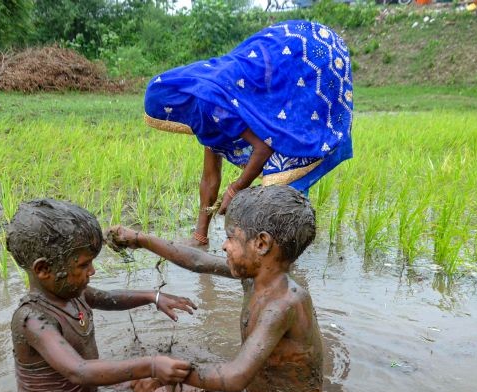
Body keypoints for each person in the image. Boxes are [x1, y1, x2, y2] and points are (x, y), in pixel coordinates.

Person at [107, 186, 323, 392]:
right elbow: (197, 260)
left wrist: (166, 374)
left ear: (262, 244)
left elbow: (235, 377)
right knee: (143, 375)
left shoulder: (283, 304)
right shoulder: (255, 278)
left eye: (231, 237)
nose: (224, 245)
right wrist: (139, 239)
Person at [5, 198, 203, 392]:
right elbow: (79, 371)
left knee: (153, 381)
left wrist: (153, 296)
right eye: (84, 264)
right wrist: (150, 364)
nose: (93, 271)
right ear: (43, 270)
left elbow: (109, 299)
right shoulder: (32, 319)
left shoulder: (73, 294)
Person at [144, 20, 353, 247]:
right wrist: (200, 235)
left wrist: (236, 188)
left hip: (306, 62)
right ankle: (280, 251)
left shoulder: (212, 105)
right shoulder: (202, 109)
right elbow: (210, 177)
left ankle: (286, 255)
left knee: (284, 173)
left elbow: (264, 147)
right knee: (277, 181)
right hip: (267, 75)